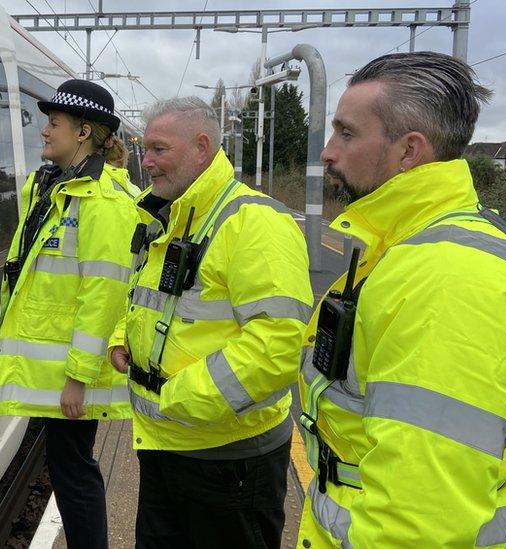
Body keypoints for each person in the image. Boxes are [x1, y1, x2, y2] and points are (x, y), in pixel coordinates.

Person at [297, 51, 506, 548]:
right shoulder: (405, 247)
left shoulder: (450, 279)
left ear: (409, 151)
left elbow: (420, 523)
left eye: (346, 133)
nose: (328, 152)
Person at [0, 80, 141, 549]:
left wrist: (79, 376)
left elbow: (103, 295)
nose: (43, 130)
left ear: (84, 132)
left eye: (53, 123)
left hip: (69, 364)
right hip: (37, 348)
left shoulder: (105, 203)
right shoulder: (45, 186)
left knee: (71, 466)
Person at [108, 97, 313, 548]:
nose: (146, 162)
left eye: (159, 150)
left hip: (228, 460)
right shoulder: (171, 213)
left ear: (201, 147)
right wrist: (124, 337)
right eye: (145, 149)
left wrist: (176, 397)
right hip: (167, 444)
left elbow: (277, 347)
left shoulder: (254, 222)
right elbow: (154, 298)